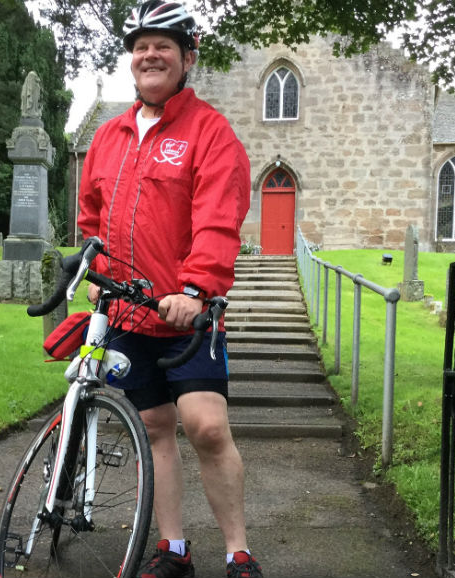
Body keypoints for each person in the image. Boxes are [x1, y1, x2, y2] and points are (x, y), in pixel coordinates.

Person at [76, 2, 262, 577]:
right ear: (132, 60)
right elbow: (91, 216)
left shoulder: (210, 132)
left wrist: (197, 288)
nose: (150, 54)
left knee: (206, 426)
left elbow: (218, 217)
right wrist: (94, 269)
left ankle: (237, 552)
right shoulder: (108, 137)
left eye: (163, 45)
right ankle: (172, 549)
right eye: (141, 46)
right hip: (128, 317)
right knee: (153, 428)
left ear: (187, 57)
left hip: (187, 316)